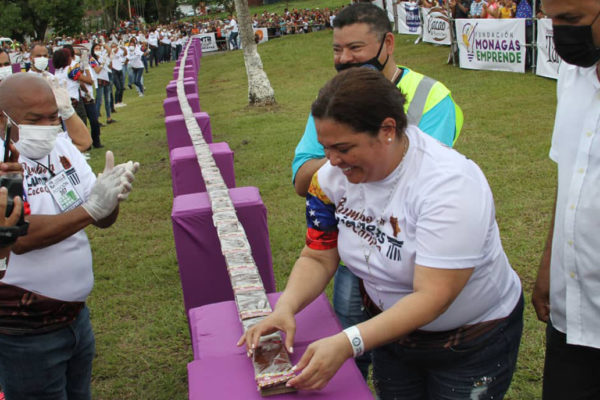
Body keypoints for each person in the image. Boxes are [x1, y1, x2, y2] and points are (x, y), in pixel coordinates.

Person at [241, 68, 523, 398]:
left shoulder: (450, 185)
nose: (331, 161)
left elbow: (433, 296)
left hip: (470, 340)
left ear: (388, 130)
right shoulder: (328, 179)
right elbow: (318, 256)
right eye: (325, 147)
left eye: (343, 147)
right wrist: (285, 307)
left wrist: (349, 342)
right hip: (389, 331)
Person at [291, 2, 463, 379]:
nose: (345, 59)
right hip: (354, 246)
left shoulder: (431, 98)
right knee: (356, 351)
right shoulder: (332, 101)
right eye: (337, 50)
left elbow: (408, 181)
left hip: (411, 250)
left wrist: (344, 161)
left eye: (356, 48)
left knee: (406, 336)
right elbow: (304, 180)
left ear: (388, 43)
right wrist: (349, 153)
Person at [0, 73, 139, 399]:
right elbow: (18, 237)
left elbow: (101, 217)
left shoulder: (61, 147)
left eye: (53, 116)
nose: (48, 126)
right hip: (26, 332)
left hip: (75, 317)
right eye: (35, 120)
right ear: (3, 118)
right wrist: (91, 210)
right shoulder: (4, 162)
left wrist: (110, 194)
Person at [532, 1, 600, 399]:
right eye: (552, 20)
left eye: (571, 21)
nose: (561, 34)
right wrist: (548, 267)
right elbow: (569, 178)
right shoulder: (572, 76)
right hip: (573, 312)